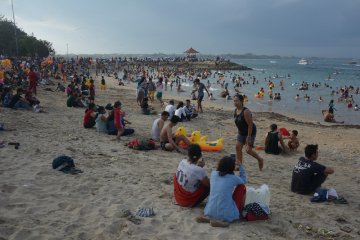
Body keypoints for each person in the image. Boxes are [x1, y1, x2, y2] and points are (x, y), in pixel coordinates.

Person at [197, 156, 247, 227]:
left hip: (209, 210)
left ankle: (208, 218)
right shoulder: (233, 178)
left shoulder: (213, 174)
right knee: (242, 187)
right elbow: (244, 180)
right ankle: (225, 222)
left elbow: (222, 172)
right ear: (231, 167)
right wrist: (241, 166)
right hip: (225, 213)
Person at [233, 94, 264, 170]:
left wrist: (249, 137)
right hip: (241, 132)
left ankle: (260, 159)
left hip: (250, 132)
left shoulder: (246, 111)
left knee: (248, 150)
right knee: (238, 147)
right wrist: (239, 134)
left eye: (237, 101)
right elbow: (238, 123)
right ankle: (239, 165)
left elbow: (250, 124)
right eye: (234, 101)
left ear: (241, 101)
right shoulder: (235, 111)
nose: (235, 102)